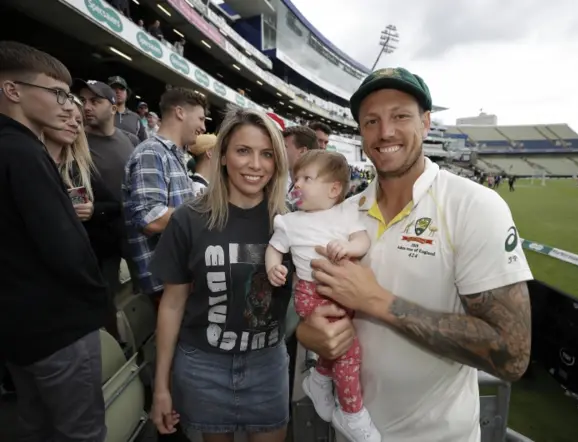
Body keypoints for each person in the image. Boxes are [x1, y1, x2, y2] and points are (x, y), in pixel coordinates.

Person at [296, 67, 533, 442]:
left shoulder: (475, 206)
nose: (385, 131)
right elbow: (317, 308)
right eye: (371, 120)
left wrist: (378, 301)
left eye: (400, 116)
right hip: (350, 432)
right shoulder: (341, 213)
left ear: (425, 123)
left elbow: (512, 353)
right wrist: (308, 333)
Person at [149, 108, 292, 442]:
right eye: (243, 151)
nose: (256, 165)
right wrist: (161, 386)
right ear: (223, 154)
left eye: (267, 154)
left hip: (267, 365)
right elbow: (172, 305)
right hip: (203, 366)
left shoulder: (291, 223)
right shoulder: (189, 219)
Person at [0, 41, 107, 442]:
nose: (70, 106)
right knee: (80, 432)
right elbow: (64, 246)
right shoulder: (23, 152)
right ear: (13, 91)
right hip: (57, 330)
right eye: (58, 94)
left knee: (36, 427)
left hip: (20, 330)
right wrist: (97, 298)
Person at [266, 150, 379, 442]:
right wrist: (273, 267)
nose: (297, 184)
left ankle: (318, 379)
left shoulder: (345, 213)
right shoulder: (290, 222)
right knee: (348, 351)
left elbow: (361, 239)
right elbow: (275, 248)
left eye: (307, 178)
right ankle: (352, 414)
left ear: (333, 189)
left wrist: (350, 247)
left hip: (344, 293)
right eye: (296, 178)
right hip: (312, 295)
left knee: (338, 347)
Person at [123, 87, 207, 303]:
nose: (203, 127)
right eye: (200, 118)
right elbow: (151, 218)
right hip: (163, 282)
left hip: (178, 277)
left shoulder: (172, 154)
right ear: (180, 112)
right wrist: (206, 212)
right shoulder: (151, 152)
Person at [73, 79, 137, 300]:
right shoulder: (75, 142)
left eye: (95, 101)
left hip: (132, 230)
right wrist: (87, 208)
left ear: (112, 107)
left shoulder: (130, 140)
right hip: (100, 234)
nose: (87, 106)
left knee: (144, 289)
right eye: (83, 101)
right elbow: (75, 186)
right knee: (104, 296)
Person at [108, 75, 147, 142]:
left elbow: (144, 142)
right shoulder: (102, 114)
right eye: (114, 88)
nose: (118, 91)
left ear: (127, 94)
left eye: (122, 89)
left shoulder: (135, 118)